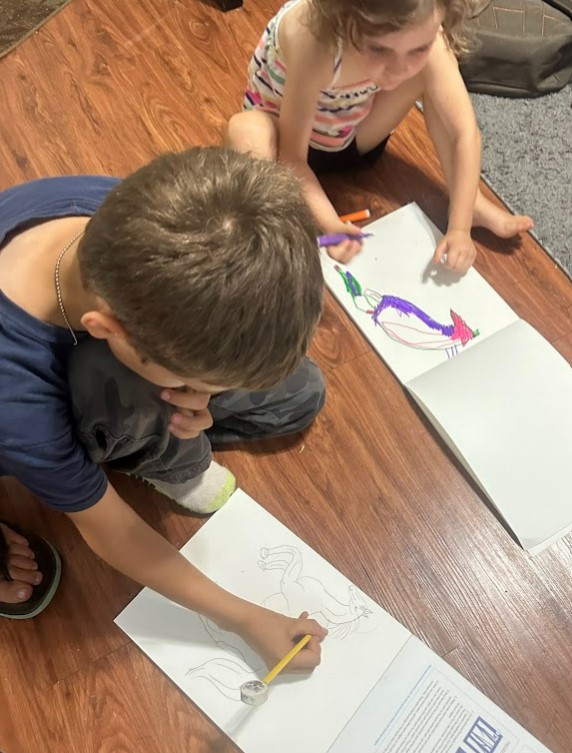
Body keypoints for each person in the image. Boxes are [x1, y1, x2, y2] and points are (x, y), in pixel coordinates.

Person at [0, 146, 328, 669]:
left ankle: (150, 426)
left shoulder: (144, 214)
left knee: (301, 394)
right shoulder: (19, 407)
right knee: (122, 389)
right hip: (23, 420)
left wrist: (201, 393)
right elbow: (112, 531)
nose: (202, 396)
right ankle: (147, 443)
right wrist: (244, 618)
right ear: (107, 331)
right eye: (190, 385)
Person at [226, 0, 534, 273]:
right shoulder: (314, 39)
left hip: (349, 137)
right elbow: (292, 158)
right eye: (379, 49)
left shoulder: (425, 28)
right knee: (245, 131)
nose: (398, 70)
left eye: (418, 49)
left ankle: (470, 202)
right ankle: (268, 233)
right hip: (284, 146)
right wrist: (331, 224)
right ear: (345, 16)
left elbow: (464, 133)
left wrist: (460, 228)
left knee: (435, 78)